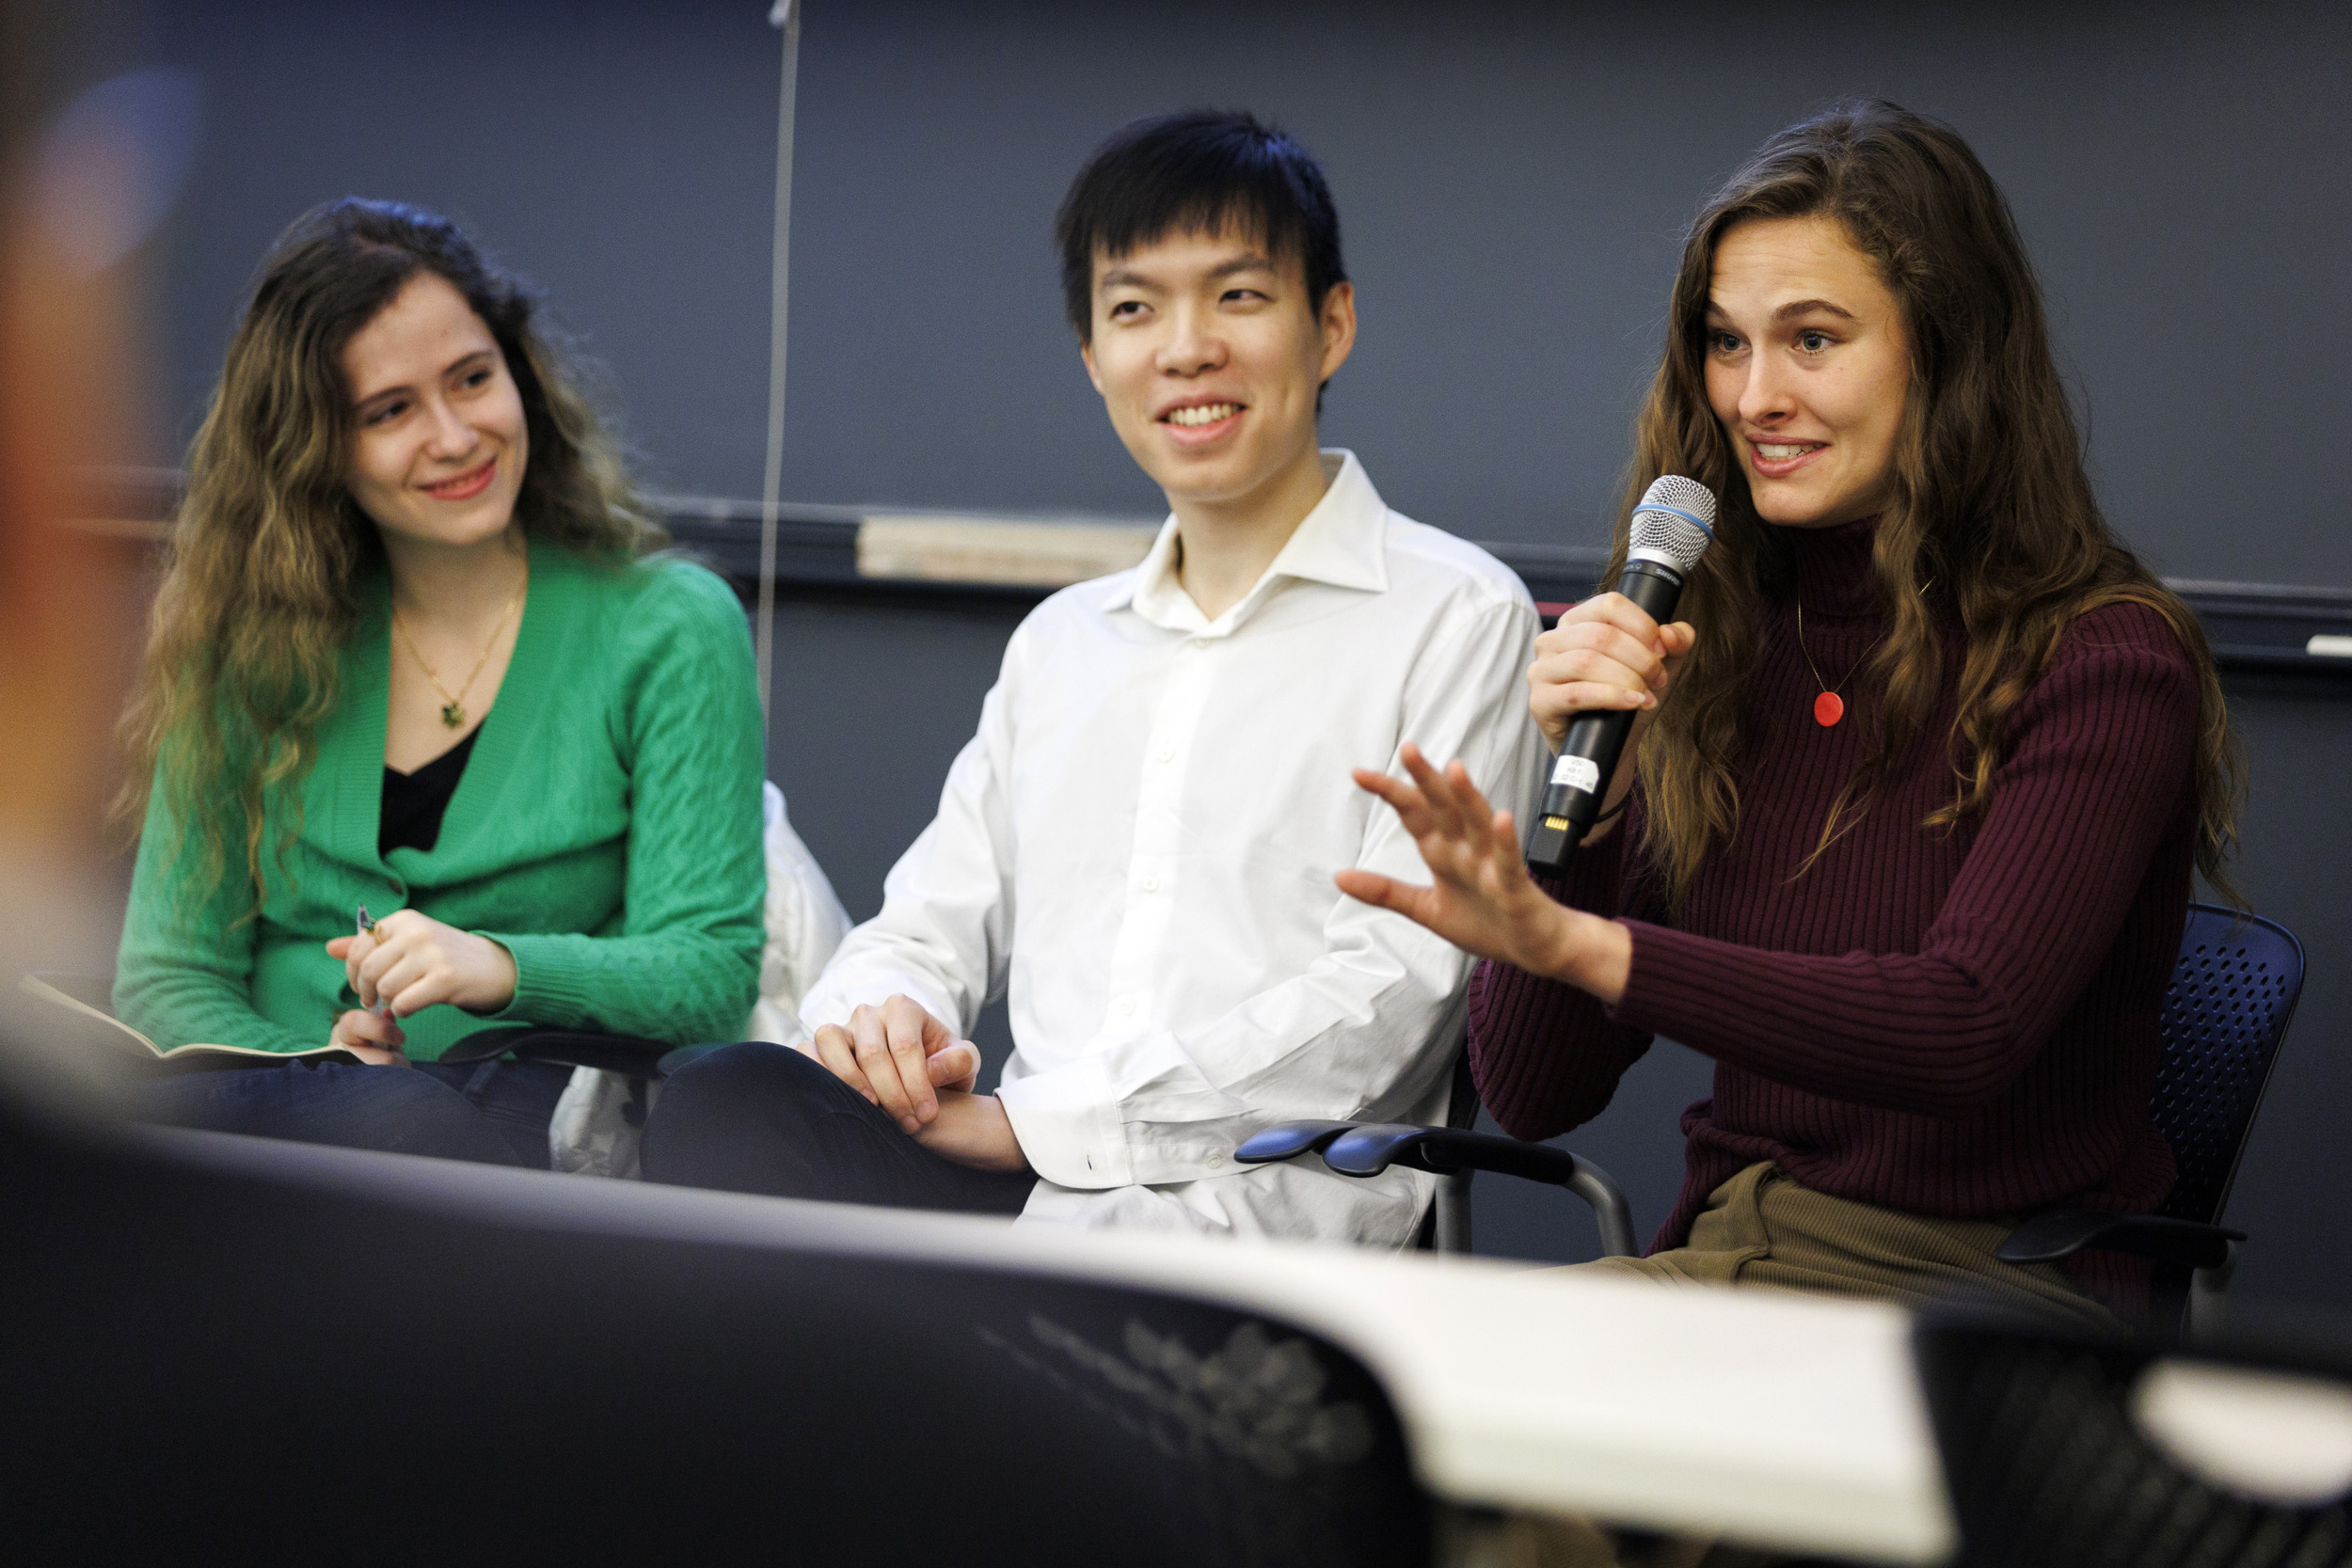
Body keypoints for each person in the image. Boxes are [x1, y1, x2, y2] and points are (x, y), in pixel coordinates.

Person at [1340, 100, 2240, 1325]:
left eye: (1813, 339)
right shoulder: (1715, 644)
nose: (1755, 394)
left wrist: (1582, 948)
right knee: (1338, 1436)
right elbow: (1541, 1089)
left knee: (1483, 1488)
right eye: (1726, 342)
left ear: (1948, 349)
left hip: (1987, 1299)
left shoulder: (2104, 657)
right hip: (1728, 1259)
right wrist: (1580, 810)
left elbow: (1963, 1024)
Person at [642, 110, 1543, 1243]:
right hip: (999, 1174)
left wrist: (1044, 1126)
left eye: (1238, 295)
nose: (1184, 348)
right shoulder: (1064, 643)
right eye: (1133, 308)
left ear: (1333, 323)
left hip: (1251, 1204)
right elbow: (923, 924)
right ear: (1091, 358)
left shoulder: (1456, 612)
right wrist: (887, 1030)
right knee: (727, 1100)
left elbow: (1392, 1000)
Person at [113, 198, 766, 1167]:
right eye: (391, 411)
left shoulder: (668, 625)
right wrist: (310, 1063)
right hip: (259, 1114)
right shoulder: (245, 641)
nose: (456, 435)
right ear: (313, 447)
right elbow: (168, 973)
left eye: (472, 378)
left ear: (521, 374)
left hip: (494, 1119)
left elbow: (706, 972)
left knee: (408, 1129)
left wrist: (501, 966)